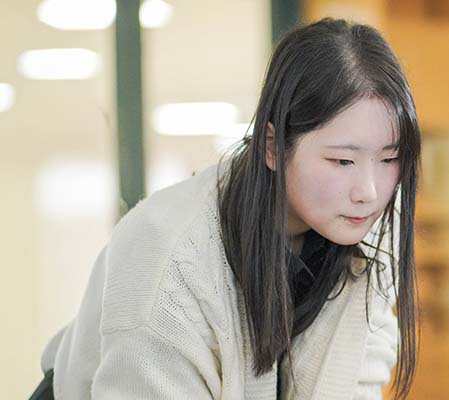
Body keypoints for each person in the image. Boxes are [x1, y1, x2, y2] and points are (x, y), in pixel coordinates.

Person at [31, 17, 421, 400]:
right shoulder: (167, 255)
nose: (369, 192)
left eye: (389, 159)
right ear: (272, 147)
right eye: (342, 161)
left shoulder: (368, 240)